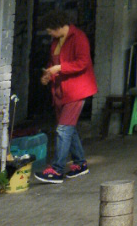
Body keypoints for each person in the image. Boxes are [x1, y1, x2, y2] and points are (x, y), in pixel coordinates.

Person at [33, 10, 97, 184]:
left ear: (58, 26)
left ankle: (57, 169)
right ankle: (80, 163)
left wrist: (59, 68)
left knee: (63, 129)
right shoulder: (56, 41)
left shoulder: (79, 37)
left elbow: (82, 62)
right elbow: (51, 63)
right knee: (70, 128)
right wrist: (48, 74)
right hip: (61, 90)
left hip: (77, 89)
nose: (49, 34)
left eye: (50, 30)